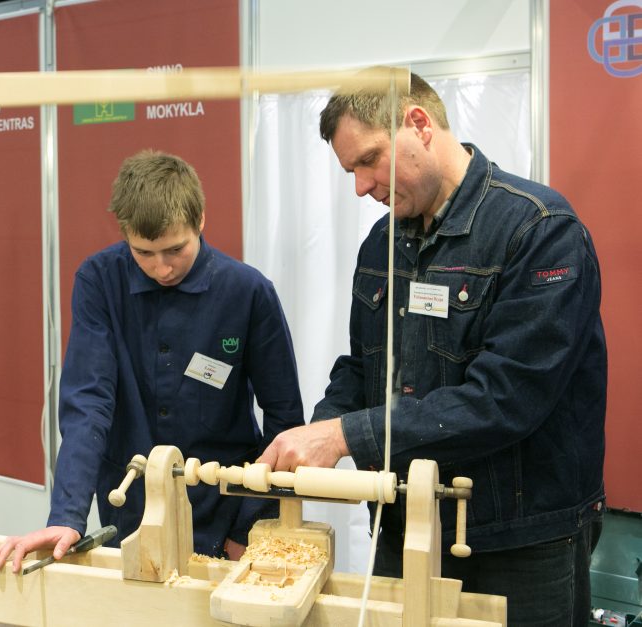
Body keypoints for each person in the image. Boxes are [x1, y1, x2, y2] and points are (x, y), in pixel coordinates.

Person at [258, 69, 606, 627]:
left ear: (418, 123)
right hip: (406, 523)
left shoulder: (539, 230)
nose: (360, 186)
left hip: (516, 541)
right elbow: (361, 366)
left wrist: (345, 436)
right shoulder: (383, 241)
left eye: (369, 160)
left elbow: (505, 398)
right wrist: (316, 433)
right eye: (350, 171)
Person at [0, 149, 304, 572]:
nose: (162, 268)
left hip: (226, 508)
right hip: (129, 505)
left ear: (201, 221)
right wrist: (67, 515)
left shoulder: (248, 292)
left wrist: (250, 525)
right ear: (124, 234)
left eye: (176, 249)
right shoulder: (99, 281)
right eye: (143, 253)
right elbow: (88, 402)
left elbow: (284, 420)